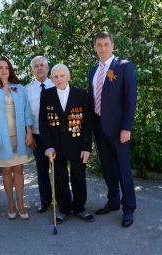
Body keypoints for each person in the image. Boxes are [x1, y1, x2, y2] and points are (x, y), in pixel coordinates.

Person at [88, 32, 138, 228]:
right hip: (99, 126)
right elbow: (92, 98)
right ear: (94, 47)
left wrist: (127, 128)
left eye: (106, 44)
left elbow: (130, 99)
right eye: (99, 44)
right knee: (108, 167)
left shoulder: (124, 67)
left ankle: (129, 208)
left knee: (124, 168)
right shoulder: (93, 71)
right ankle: (113, 200)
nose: (102, 48)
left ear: (112, 45)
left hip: (119, 129)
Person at [39, 63, 94, 224]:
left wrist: (86, 147)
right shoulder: (46, 95)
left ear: (68, 76)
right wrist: (48, 146)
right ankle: (63, 209)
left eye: (62, 76)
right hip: (56, 147)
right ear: (51, 78)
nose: (59, 79)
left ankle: (79, 208)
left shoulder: (81, 94)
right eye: (55, 76)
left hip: (77, 146)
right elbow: (44, 124)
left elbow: (87, 123)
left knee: (79, 178)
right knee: (59, 179)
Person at [0, 57, 33, 220]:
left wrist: (29, 132)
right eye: (0, 68)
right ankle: (10, 204)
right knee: (6, 170)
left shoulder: (19, 88)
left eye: (6, 67)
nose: (4, 70)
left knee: (18, 169)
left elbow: (26, 111)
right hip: (0, 136)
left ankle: (20, 203)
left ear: (10, 69)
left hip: (18, 135)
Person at [24, 56, 71, 213]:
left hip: (56, 135)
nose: (40, 68)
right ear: (32, 69)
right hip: (37, 135)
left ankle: (65, 199)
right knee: (42, 170)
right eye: (36, 66)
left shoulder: (57, 84)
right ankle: (45, 201)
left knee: (59, 169)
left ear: (48, 67)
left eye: (42, 65)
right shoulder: (27, 90)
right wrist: (29, 134)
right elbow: (26, 115)